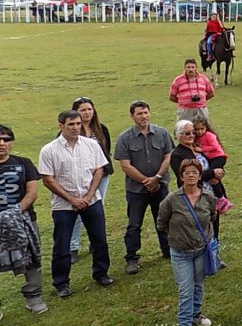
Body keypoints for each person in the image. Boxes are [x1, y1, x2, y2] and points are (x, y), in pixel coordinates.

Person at [38, 111, 114, 297]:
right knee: (62, 245)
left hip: (91, 200)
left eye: (78, 123)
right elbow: (48, 180)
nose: (76, 127)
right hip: (64, 206)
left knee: (99, 239)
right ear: (61, 125)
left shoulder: (91, 145)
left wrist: (88, 196)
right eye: (71, 124)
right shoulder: (49, 150)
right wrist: (71, 199)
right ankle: (61, 283)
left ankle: (101, 273)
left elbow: (99, 170)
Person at [115, 100, 174, 275]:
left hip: (160, 186)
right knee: (134, 224)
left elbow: (168, 157)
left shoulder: (162, 133)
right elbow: (125, 165)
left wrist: (156, 178)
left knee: (164, 220)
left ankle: (168, 249)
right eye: (139, 113)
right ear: (132, 116)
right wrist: (146, 181)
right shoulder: (124, 138)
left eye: (146, 112)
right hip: (136, 190)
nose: (144, 116)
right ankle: (132, 258)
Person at [157, 160, 216, 326]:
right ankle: (184, 324)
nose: (191, 175)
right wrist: (177, 237)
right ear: (181, 176)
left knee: (198, 285)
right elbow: (161, 223)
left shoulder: (208, 197)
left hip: (201, 250)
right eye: (187, 173)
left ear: (199, 176)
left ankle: (196, 314)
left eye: (194, 172)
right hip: (180, 252)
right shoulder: (172, 199)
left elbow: (212, 217)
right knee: (185, 290)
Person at [0, 124, 48, 314]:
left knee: (32, 259)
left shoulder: (24, 163)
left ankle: (34, 298)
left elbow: (32, 192)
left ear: (11, 142)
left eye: (6, 139)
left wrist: (15, 211)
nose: (2, 143)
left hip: (23, 220)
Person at [67, 97, 113, 265]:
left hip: (101, 174)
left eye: (89, 109)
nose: (87, 113)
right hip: (80, 176)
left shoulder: (101, 129)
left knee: (96, 210)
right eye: (83, 110)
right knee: (79, 210)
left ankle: (96, 243)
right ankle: (73, 246)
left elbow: (107, 150)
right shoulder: (72, 131)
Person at [171, 120, 227, 246]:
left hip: (210, 193)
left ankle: (213, 255)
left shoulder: (198, 148)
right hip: (195, 196)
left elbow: (215, 161)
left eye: (193, 132)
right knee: (200, 227)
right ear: (179, 135)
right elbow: (186, 177)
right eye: (187, 133)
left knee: (214, 223)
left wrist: (219, 173)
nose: (191, 135)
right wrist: (212, 173)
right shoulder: (177, 155)